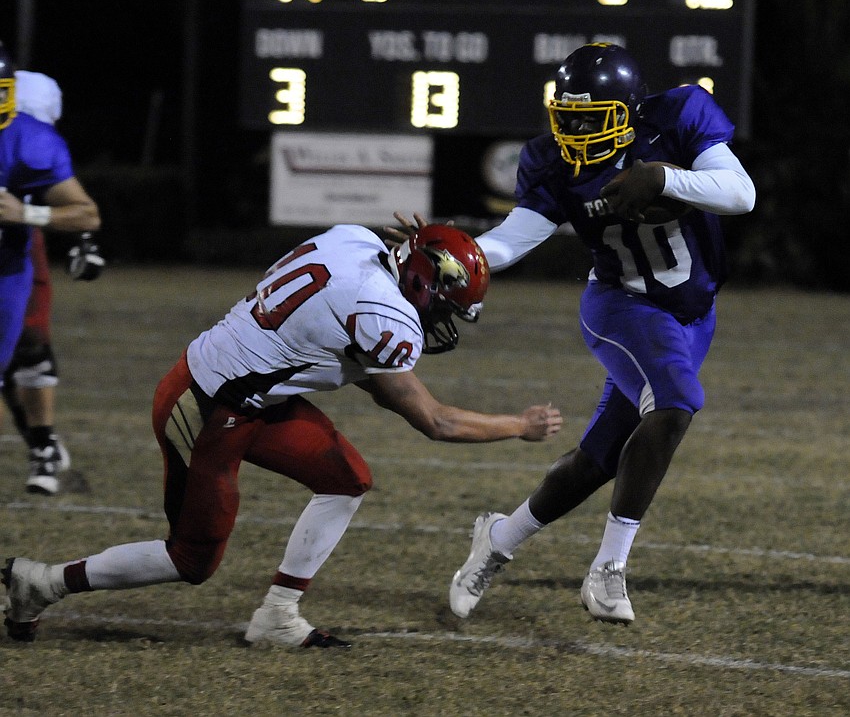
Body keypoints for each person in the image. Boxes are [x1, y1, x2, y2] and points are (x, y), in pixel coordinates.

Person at [2, 222, 562, 647]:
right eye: (445, 307)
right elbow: (433, 420)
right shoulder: (384, 315)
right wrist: (519, 425)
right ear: (419, 283)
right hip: (204, 408)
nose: (442, 321)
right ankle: (43, 582)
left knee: (346, 479)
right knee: (191, 559)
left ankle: (277, 614)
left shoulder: (354, 239)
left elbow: (360, 358)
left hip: (252, 397)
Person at [434, 42, 755, 625]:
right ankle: (608, 571)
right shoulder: (552, 163)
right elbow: (513, 239)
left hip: (693, 314)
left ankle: (497, 539)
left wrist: (663, 177)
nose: (577, 132)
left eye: (593, 117)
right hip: (621, 304)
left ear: (629, 111)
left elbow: (740, 193)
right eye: (569, 117)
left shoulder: (678, 116)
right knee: (677, 402)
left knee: (599, 458)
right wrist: (454, 255)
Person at [0, 44, 102, 495]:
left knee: (29, 343)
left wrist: (31, 216)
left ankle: (41, 443)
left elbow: (80, 209)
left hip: (11, 252)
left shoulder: (29, 136)